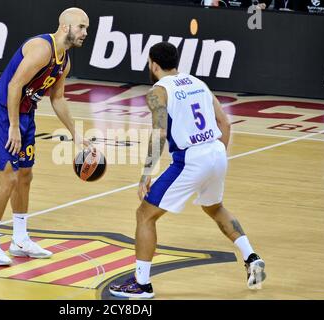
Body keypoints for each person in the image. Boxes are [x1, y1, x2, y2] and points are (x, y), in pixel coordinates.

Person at [109, 42, 266, 298]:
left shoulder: (157, 92)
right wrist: (217, 158)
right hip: (216, 151)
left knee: (145, 215)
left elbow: (159, 134)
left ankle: (141, 284)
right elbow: (224, 123)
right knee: (215, 208)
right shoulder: (197, 82)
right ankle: (251, 256)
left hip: (190, 159)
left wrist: (145, 174)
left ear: (153, 64)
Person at [0, 8, 91, 265]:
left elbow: (58, 98)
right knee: (9, 177)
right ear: (66, 27)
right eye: (81, 27)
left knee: (26, 175)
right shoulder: (42, 48)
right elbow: (14, 85)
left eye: (86, 28)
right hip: (3, 112)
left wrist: (75, 133)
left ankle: (19, 238)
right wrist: (13, 126)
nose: (85, 33)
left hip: (26, 114)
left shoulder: (65, 60)